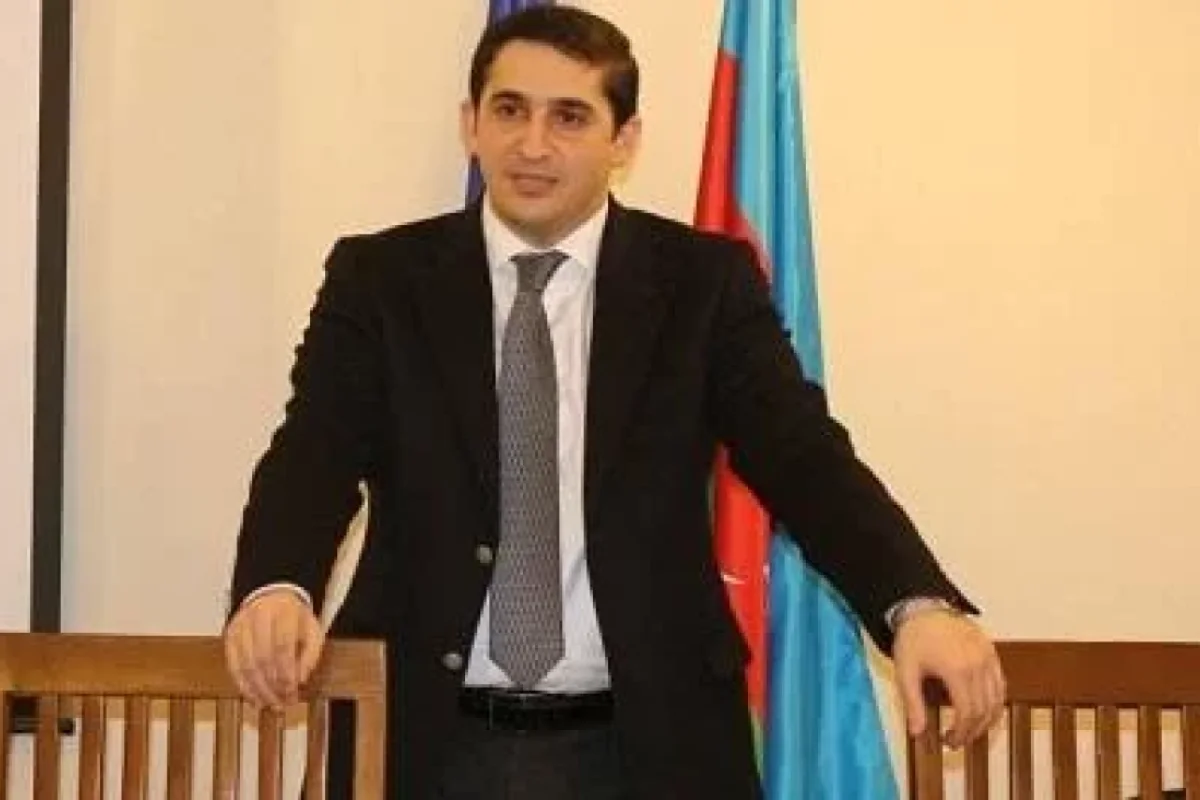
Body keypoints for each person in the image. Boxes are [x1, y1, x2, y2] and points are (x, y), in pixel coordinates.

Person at [224, 6, 1004, 799]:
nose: (533, 145)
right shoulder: (381, 280)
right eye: (509, 110)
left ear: (623, 140)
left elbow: (802, 457)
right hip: (423, 739)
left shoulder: (702, 284)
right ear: (470, 124)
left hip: (650, 747)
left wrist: (915, 603)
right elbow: (313, 452)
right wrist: (276, 585)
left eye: (569, 117)